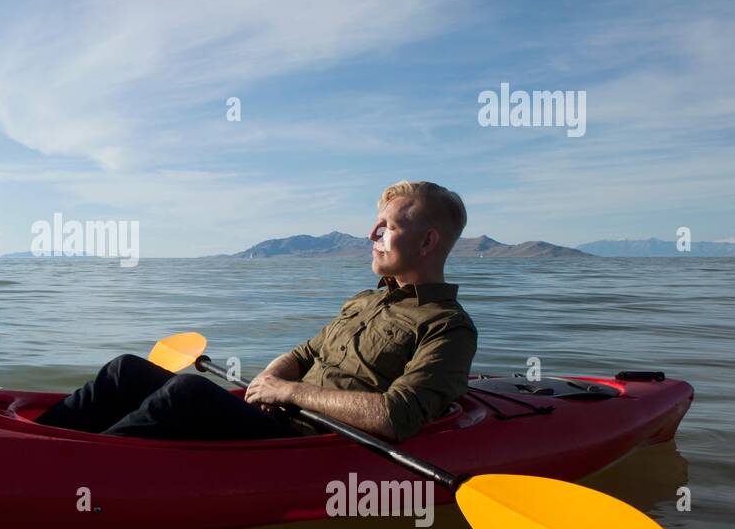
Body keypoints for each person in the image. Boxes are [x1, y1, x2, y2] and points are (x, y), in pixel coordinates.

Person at [36, 180, 478, 442]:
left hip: (314, 442)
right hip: (274, 416)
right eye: (376, 224)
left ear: (427, 242)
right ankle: (36, 441)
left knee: (188, 393)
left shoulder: (446, 327)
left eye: (388, 228)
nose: (371, 234)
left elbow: (396, 416)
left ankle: (82, 468)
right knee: (126, 371)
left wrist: (287, 393)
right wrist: (268, 381)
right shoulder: (366, 301)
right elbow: (305, 353)